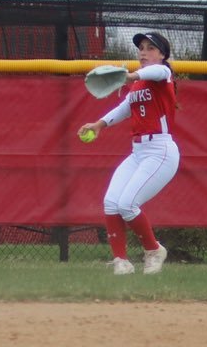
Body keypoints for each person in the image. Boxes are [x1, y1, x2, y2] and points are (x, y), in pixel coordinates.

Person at [78, 32, 180, 275]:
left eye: (150, 48)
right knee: (111, 203)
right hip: (138, 151)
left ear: (162, 55)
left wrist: (131, 75)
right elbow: (126, 107)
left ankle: (154, 249)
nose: (143, 52)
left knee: (128, 204)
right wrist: (99, 124)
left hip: (160, 151)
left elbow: (156, 72)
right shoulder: (138, 84)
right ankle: (121, 262)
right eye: (141, 48)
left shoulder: (163, 74)